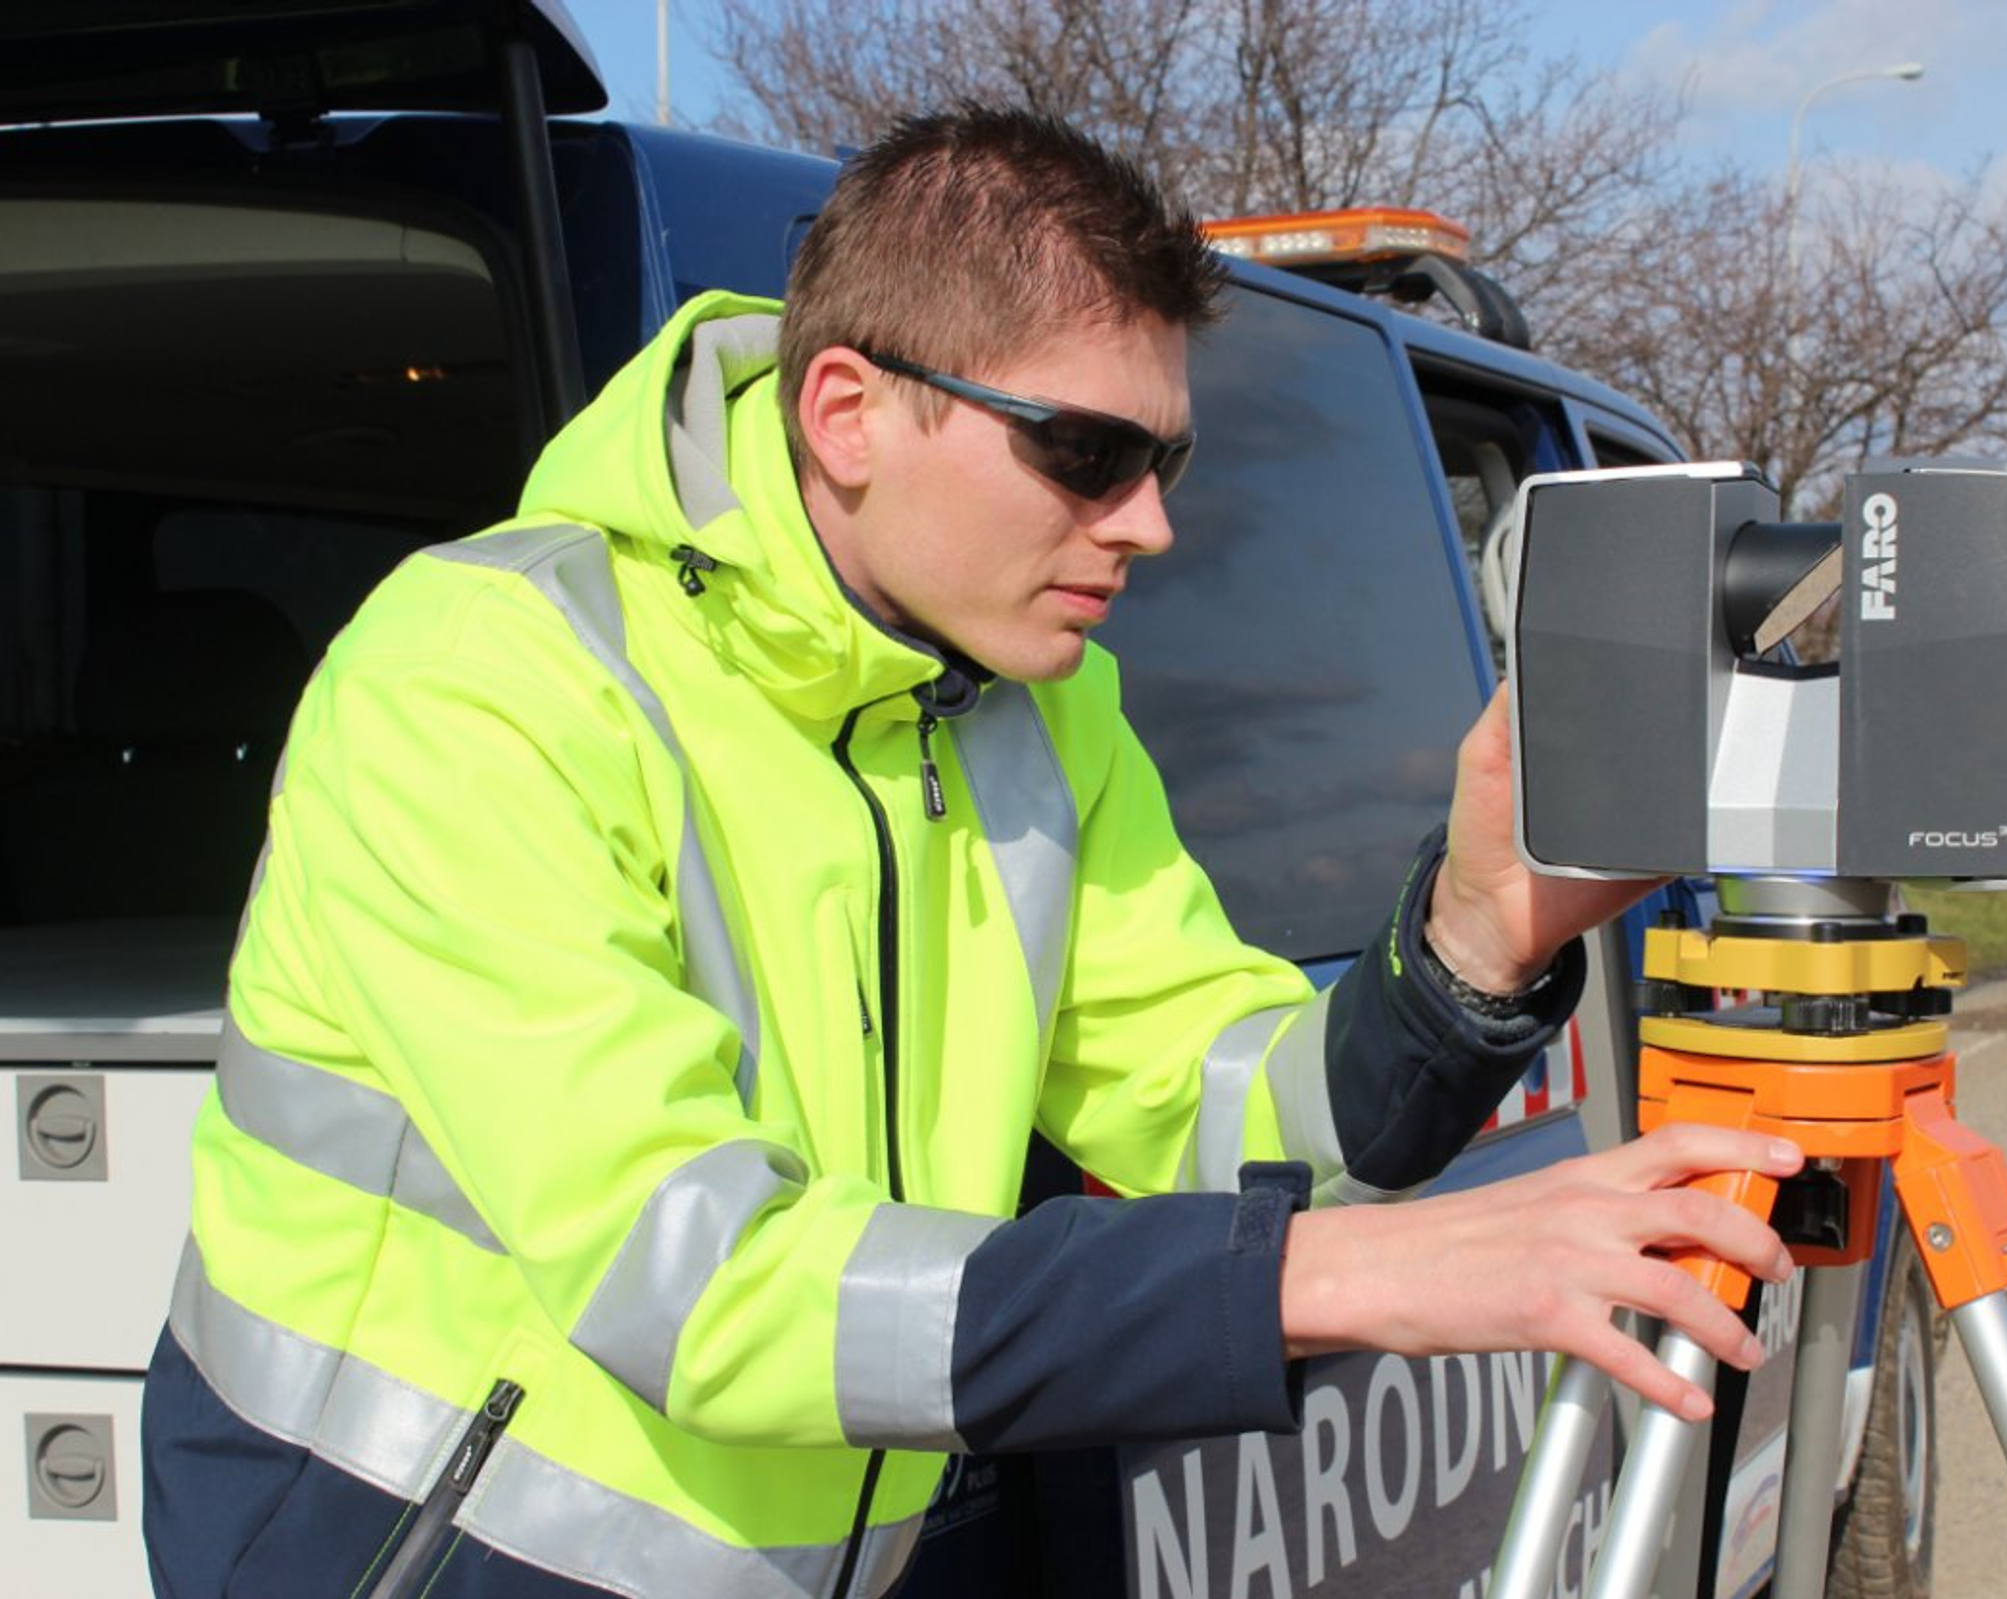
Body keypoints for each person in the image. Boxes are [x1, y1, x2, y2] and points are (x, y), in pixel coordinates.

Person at [141, 105, 1798, 1599]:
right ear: (849, 413)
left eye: (1168, 462)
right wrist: (1338, 1274)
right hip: (415, 1553)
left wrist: (1466, 941)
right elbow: (704, 1285)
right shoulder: (487, 676)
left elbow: (1221, 1110)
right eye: (1086, 452)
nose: (1146, 521)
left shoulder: (1034, 710)